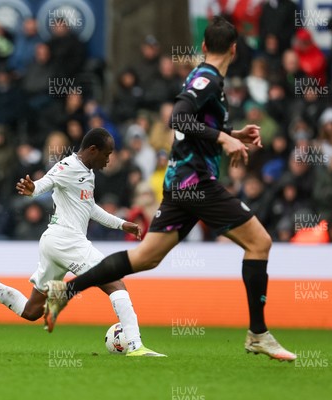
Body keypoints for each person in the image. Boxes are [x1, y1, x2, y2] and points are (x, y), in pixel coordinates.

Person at [41, 17, 297, 362]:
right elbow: (178, 118)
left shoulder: (203, 77)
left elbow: (194, 125)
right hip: (195, 180)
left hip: (180, 182)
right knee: (260, 242)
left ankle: (66, 289)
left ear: (204, 46)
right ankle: (257, 334)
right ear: (234, 50)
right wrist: (223, 138)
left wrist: (232, 134)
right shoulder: (207, 77)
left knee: (146, 257)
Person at [0, 128, 165, 357]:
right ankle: (134, 346)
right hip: (67, 241)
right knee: (115, 283)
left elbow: (89, 208)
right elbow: (47, 181)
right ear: (93, 150)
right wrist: (33, 190)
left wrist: (122, 224)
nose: (109, 159)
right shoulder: (69, 166)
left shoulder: (87, 173)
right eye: (107, 154)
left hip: (56, 243)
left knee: (31, 310)